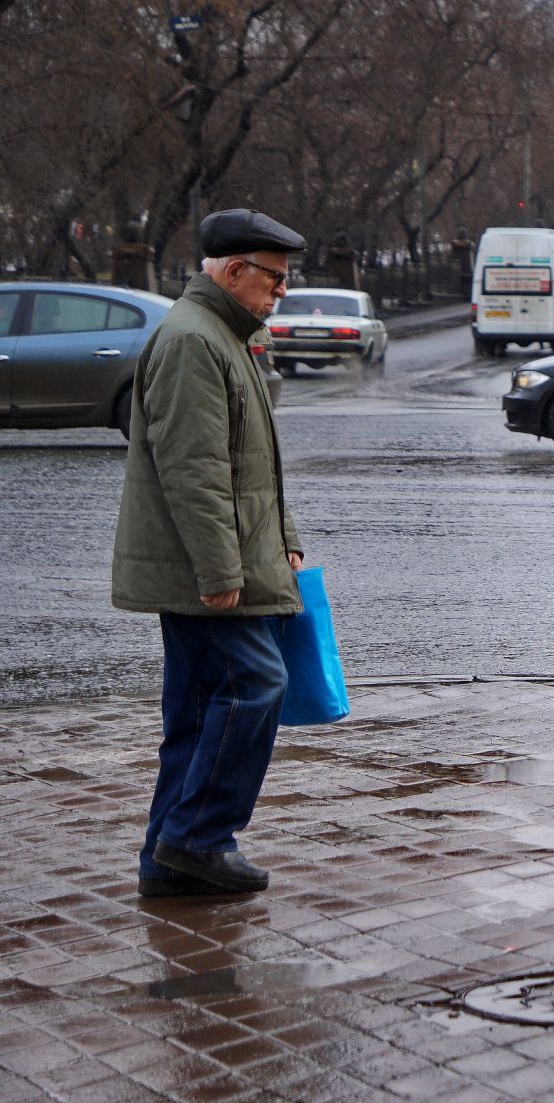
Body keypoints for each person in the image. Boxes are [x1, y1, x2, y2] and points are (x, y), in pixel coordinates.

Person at [113, 210, 307, 896]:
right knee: (256, 685)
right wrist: (221, 570)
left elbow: (253, 465)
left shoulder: (223, 336)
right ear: (232, 272)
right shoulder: (197, 341)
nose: (281, 291)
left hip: (226, 560)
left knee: (197, 712)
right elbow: (193, 472)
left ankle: (168, 861)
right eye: (275, 278)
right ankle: (195, 837)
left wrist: (284, 543)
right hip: (210, 570)